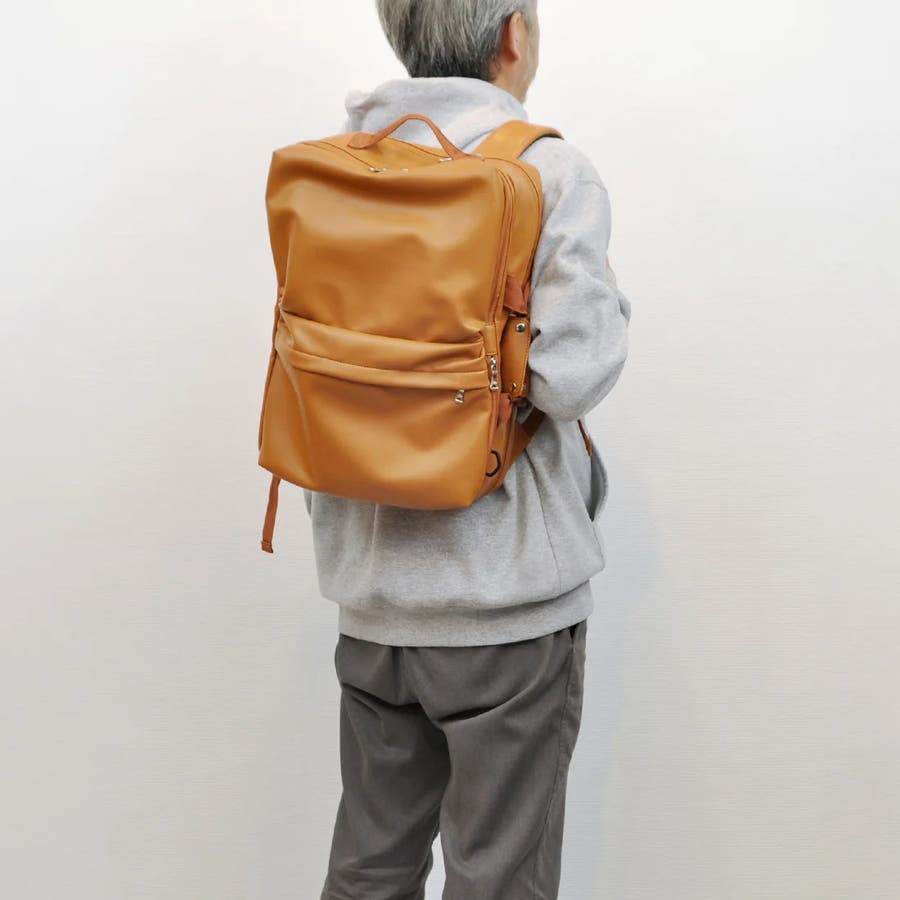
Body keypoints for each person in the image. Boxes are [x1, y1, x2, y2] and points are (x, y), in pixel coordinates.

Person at [316, 2, 632, 898]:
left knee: (369, 869)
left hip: (373, 600)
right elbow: (570, 375)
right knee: (500, 878)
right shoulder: (545, 169)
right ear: (511, 36)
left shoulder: (340, 169)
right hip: (505, 613)